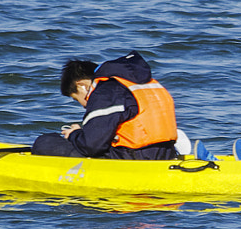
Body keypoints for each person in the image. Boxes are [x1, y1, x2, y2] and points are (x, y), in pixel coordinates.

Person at [31, 52, 180, 160]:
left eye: (78, 99)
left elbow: (92, 146)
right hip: (166, 154)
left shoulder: (105, 90)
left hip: (135, 158)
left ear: (82, 85)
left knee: (45, 142)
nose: (84, 106)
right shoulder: (144, 84)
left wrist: (74, 135)